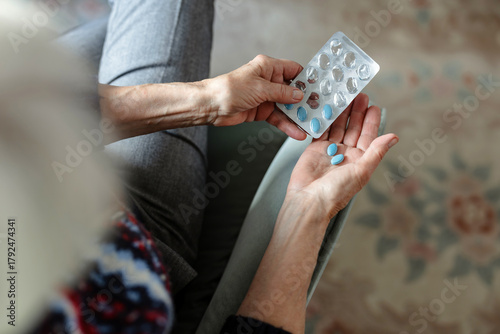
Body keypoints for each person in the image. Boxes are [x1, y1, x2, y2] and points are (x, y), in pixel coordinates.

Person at [22, 0, 398, 333]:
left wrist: (205, 100)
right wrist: (308, 207)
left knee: (69, 54)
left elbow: (24, 114)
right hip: (137, 230)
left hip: (65, 176)